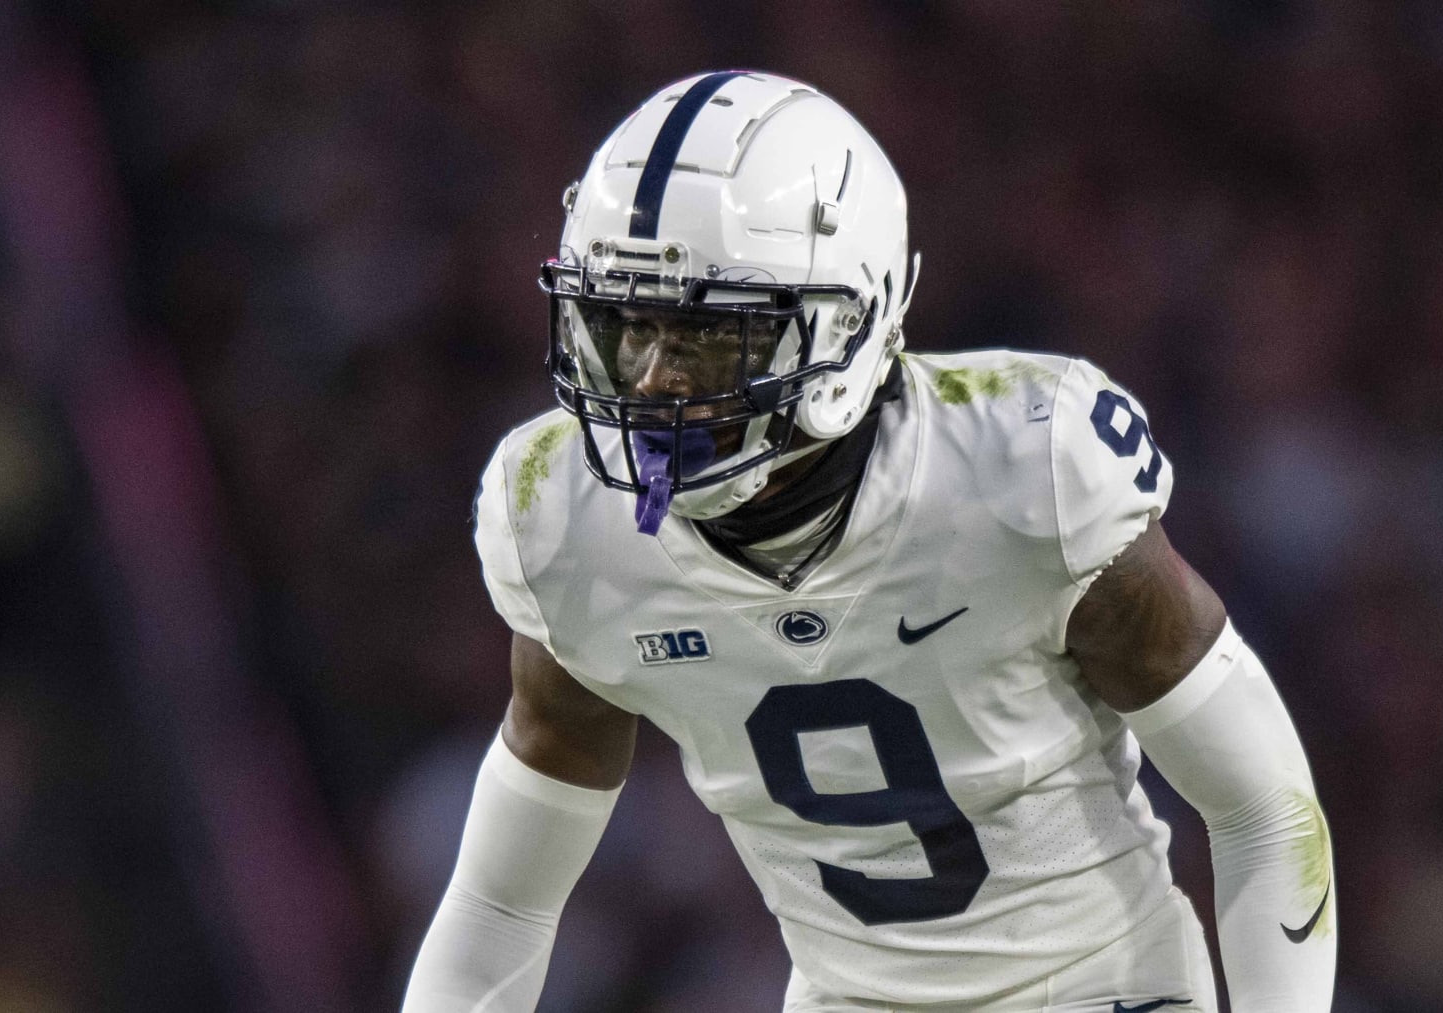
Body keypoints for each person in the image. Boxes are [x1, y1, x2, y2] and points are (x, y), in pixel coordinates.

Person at [404, 71, 1335, 1012]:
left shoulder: (1024, 471)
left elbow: (1260, 807)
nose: (650, 384)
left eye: (704, 337)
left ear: (844, 327)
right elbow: (499, 904)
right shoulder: (567, 524)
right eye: (629, 326)